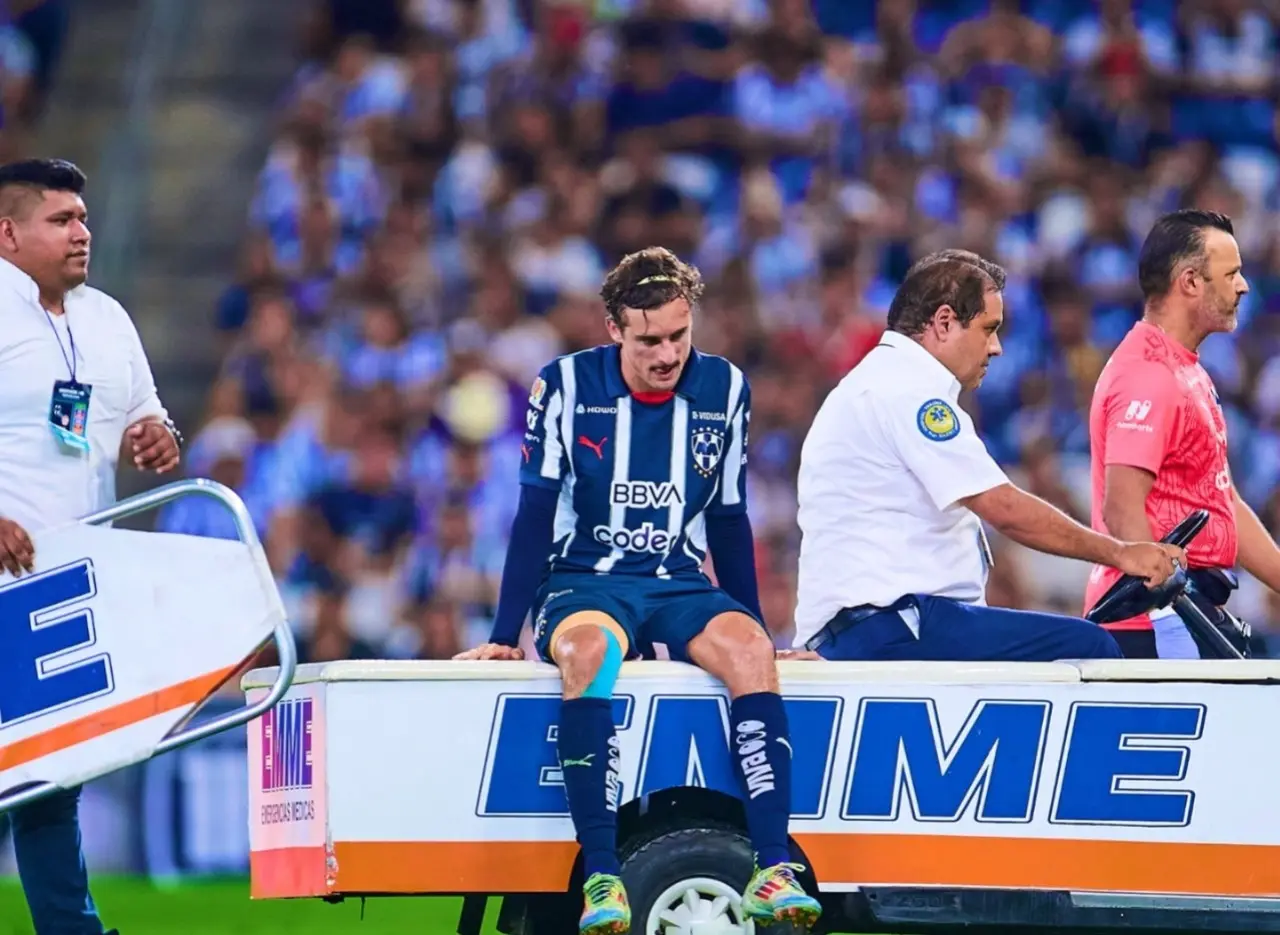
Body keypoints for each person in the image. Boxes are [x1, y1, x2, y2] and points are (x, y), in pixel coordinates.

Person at [454, 246, 822, 934]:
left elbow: (728, 518)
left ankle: (773, 865)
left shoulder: (725, 388)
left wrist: (761, 628)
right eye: (649, 339)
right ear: (614, 329)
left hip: (678, 581)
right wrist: (506, 633)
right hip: (584, 579)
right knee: (590, 653)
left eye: (679, 335)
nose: (667, 353)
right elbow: (534, 513)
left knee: (749, 651)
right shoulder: (562, 387)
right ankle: (602, 874)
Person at [789, 249, 1185, 662]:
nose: (996, 348)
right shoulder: (908, 391)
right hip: (894, 625)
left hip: (869, 627)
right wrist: (1121, 553)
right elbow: (1003, 507)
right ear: (944, 323)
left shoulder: (876, 382)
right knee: (1089, 647)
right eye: (988, 329)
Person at [0, 158, 180, 935]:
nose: (83, 232)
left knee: (51, 771)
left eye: (83, 217)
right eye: (61, 219)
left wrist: (158, 437)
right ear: (8, 233)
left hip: (72, 580)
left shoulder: (107, 317)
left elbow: (151, 414)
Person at [1084, 209, 1275, 657]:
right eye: (1231, 274)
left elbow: (1220, 502)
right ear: (1190, 282)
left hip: (1185, 608)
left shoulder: (1183, 369)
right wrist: (1168, 611)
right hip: (1156, 619)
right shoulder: (1149, 374)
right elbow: (1122, 509)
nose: (1243, 285)